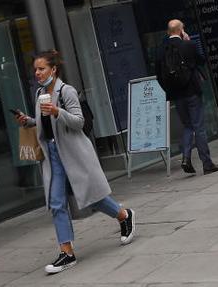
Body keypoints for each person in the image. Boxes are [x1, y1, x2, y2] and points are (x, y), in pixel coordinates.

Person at [15, 50, 137, 275]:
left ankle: (124, 215)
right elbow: (46, 124)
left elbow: (79, 123)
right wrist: (29, 121)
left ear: (53, 70)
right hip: (53, 155)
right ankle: (67, 252)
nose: (37, 73)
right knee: (56, 203)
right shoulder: (39, 93)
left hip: (73, 153)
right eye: (35, 70)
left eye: (41, 69)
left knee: (93, 198)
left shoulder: (66, 91)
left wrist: (57, 111)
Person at [156, 20, 218, 175]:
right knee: (198, 127)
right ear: (181, 31)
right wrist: (188, 41)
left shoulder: (161, 50)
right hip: (192, 92)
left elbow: (159, 76)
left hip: (176, 95)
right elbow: (201, 61)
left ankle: (186, 158)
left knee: (188, 126)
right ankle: (207, 164)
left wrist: (169, 89)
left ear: (168, 32)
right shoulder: (188, 45)